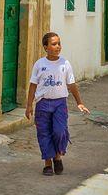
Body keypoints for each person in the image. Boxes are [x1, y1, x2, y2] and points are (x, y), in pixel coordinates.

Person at [25, 31, 89, 176]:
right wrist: (29, 105)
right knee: (44, 133)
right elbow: (33, 85)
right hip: (43, 103)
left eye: (59, 43)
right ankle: (48, 163)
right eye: (54, 44)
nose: (58, 46)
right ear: (45, 47)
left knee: (59, 131)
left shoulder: (65, 64)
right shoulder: (39, 64)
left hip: (60, 104)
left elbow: (71, 84)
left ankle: (58, 156)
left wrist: (79, 102)